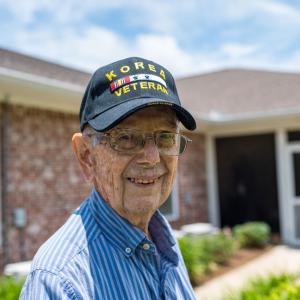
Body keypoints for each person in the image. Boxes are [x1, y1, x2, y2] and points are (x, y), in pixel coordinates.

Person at [20, 57, 197, 299]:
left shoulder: (163, 241)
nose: (152, 158)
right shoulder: (59, 282)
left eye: (165, 136)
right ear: (86, 156)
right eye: (126, 138)